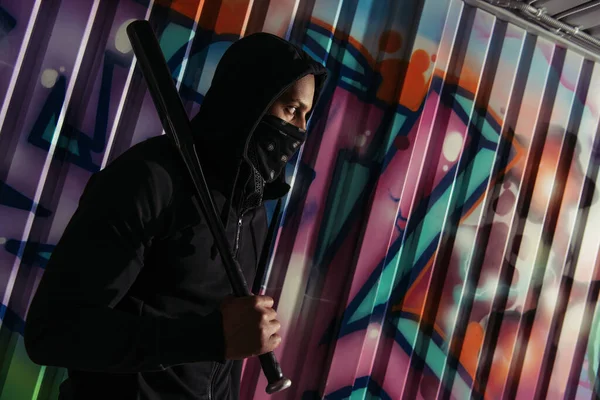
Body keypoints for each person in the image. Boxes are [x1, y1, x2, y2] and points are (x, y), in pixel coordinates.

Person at [24, 31, 327, 400]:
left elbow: (219, 365)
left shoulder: (249, 211)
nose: (300, 130)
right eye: (292, 110)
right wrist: (207, 338)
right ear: (250, 102)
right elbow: (54, 332)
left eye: (306, 116)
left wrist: (221, 342)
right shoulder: (150, 180)